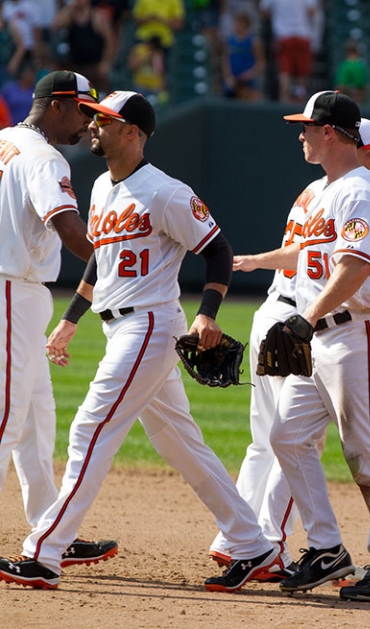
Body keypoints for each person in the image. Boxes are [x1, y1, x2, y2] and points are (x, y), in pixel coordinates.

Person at [0, 91, 278, 592]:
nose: (93, 126)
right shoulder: (104, 186)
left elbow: (218, 251)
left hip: (150, 325)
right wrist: (71, 318)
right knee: (181, 443)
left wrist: (207, 315)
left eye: (105, 120)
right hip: (120, 325)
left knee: (90, 428)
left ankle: (44, 552)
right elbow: (98, 261)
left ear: (133, 133)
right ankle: (254, 545)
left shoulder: (166, 192)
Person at [207, 115, 370, 588]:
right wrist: (269, 273)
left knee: (368, 455)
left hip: (356, 332)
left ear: (330, 134)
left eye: (307, 128)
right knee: (287, 437)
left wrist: (306, 316)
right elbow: (321, 258)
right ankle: (326, 549)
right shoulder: (326, 192)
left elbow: (359, 267)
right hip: (321, 334)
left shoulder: (359, 192)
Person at [0, 71, 120, 577]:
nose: (88, 123)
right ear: (57, 106)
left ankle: (50, 530)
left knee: (35, 420)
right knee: (7, 419)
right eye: (84, 112)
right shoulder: (45, 157)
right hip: (12, 290)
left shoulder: (5, 139)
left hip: (18, 289)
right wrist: (121, 266)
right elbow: (69, 229)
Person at [221, 10, 264, 101]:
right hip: (233, 81)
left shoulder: (254, 42)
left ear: (245, 25)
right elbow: (225, 60)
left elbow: (261, 64)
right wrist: (228, 77)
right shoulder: (229, 41)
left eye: (238, 23)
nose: (236, 25)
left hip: (248, 82)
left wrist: (249, 74)